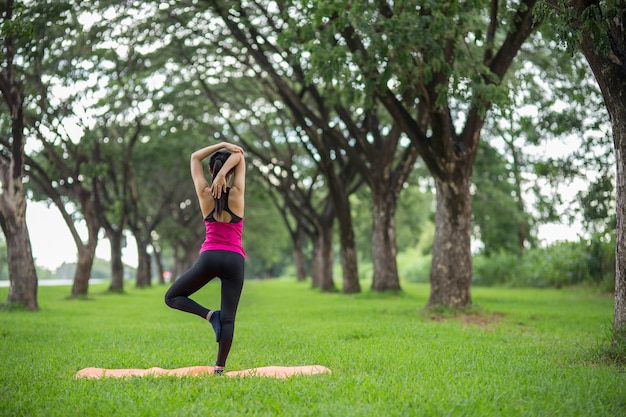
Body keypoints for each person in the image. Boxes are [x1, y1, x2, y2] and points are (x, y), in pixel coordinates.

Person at [165, 141, 246, 375]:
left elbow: (194, 157)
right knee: (229, 319)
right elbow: (240, 154)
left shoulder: (204, 193)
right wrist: (224, 173)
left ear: (210, 171)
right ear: (230, 172)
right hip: (234, 260)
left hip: (209, 257)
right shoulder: (238, 193)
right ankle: (219, 368)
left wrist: (220, 146)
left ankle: (210, 316)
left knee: (172, 297)